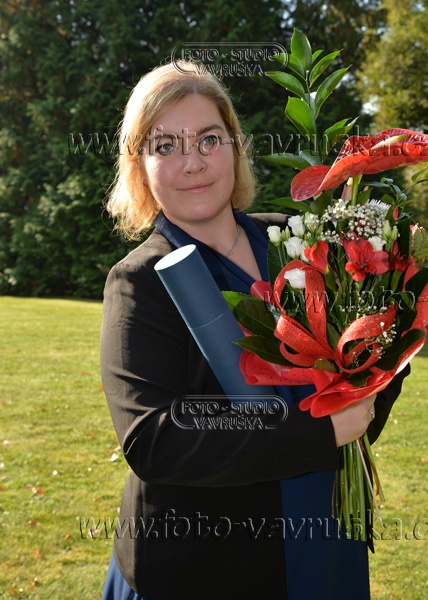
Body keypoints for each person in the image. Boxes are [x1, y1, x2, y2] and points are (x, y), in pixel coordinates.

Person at [99, 60, 409, 600]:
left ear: (235, 148)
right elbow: (155, 438)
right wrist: (318, 434)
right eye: (166, 146)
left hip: (328, 536)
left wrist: (379, 354)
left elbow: (370, 362)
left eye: (209, 139)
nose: (193, 162)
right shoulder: (139, 282)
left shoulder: (297, 240)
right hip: (210, 568)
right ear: (140, 167)